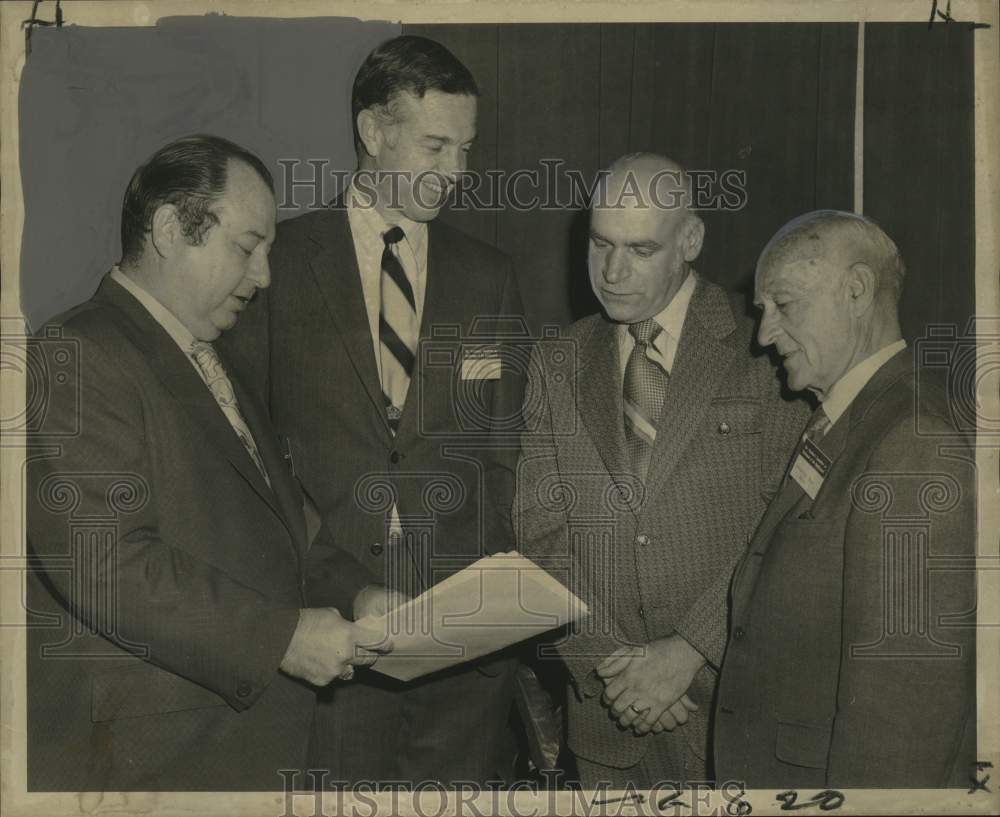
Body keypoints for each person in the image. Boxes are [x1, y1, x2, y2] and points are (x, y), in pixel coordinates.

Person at [26, 134, 387, 792]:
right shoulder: (72, 354)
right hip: (153, 761)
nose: (265, 276)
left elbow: (287, 528)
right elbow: (105, 562)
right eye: (248, 248)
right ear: (170, 229)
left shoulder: (218, 356)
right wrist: (278, 637)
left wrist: (361, 594)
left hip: (241, 746)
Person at [220, 36, 527, 784]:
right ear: (372, 131)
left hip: (463, 663)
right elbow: (248, 459)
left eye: (466, 147)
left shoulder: (488, 278)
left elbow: (498, 453)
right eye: (435, 145)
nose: (457, 172)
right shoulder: (276, 265)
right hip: (331, 651)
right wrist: (340, 585)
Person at [514, 153, 808, 789]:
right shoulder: (556, 359)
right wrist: (611, 668)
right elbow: (541, 534)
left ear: (690, 241)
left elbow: (787, 529)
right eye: (600, 244)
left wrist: (690, 652)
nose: (613, 273)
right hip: (607, 719)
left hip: (733, 711)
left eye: (641, 249)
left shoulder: (768, 347)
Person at [714, 210, 977, 788]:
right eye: (762, 312)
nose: (764, 335)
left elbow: (905, 710)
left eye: (785, 305)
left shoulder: (911, 442)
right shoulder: (848, 418)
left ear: (857, 290)